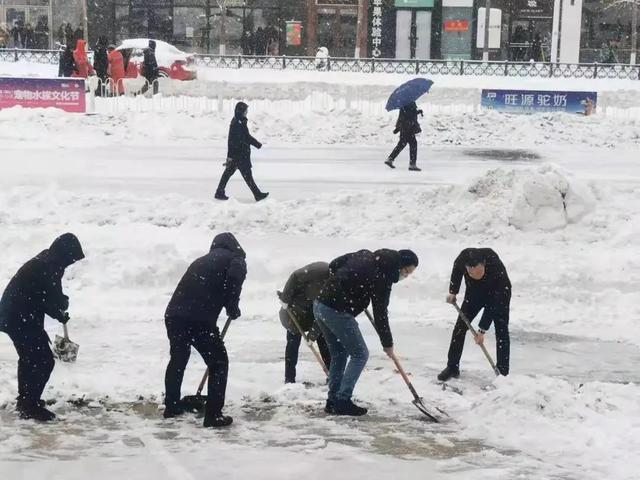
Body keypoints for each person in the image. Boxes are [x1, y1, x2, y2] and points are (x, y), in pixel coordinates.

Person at [313, 249, 419, 416]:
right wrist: (387, 344)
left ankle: (333, 401)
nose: (405, 276)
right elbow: (380, 313)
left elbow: (334, 264)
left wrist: (345, 283)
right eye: (406, 271)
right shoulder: (383, 278)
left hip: (320, 304)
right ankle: (342, 399)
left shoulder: (364, 254)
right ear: (400, 265)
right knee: (360, 354)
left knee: (339, 354)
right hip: (337, 310)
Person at [163, 232, 246, 428]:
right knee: (218, 363)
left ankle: (172, 406)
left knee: (178, 359)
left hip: (174, 316)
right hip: (199, 319)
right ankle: (213, 415)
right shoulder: (236, 260)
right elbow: (234, 281)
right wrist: (232, 307)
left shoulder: (202, 260)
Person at [0, 234, 85, 422]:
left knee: (30, 358)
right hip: (19, 317)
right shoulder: (46, 267)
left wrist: (60, 306)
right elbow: (47, 298)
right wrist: (59, 308)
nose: (71, 262)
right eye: (71, 258)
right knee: (43, 360)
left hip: (18, 315)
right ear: (64, 254)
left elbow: (48, 295)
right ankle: (29, 404)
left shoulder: (50, 263)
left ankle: (26, 401)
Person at [438, 248, 511, 382]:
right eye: (471, 273)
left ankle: (503, 373)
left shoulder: (495, 268)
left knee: (502, 331)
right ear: (467, 268)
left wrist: (482, 330)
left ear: (484, 265)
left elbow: (492, 306)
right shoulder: (463, 258)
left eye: (480, 272)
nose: (477, 276)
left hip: (499, 294)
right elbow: (457, 270)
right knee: (460, 328)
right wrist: (453, 291)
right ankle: (452, 367)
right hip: (474, 293)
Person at [277, 262, 332, 384]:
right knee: (293, 343)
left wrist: (312, 336)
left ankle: (332, 375)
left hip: (314, 311)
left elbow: (323, 315)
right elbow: (295, 276)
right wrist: (285, 299)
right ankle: (289, 380)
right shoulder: (318, 271)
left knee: (323, 341)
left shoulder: (333, 286)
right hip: (295, 313)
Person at [215, 102, 269, 202]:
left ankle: (219, 192)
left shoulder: (240, 121)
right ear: (241, 111)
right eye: (245, 111)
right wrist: (258, 144)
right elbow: (233, 140)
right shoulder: (237, 123)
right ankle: (257, 195)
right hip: (239, 155)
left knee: (229, 173)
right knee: (247, 175)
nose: (247, 112)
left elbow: (244, 137)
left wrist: (231, 156)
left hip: (238, 154)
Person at [385, 101, 423, 171]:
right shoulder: (409, 103)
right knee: (413, 144)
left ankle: (390, 159)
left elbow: (402, 116)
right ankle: (412, 164)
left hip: (404, 128)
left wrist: (398, 128)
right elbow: (409, 115)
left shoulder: (404, 104)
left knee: (401, 144)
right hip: (408, 128)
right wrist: (417, 112)